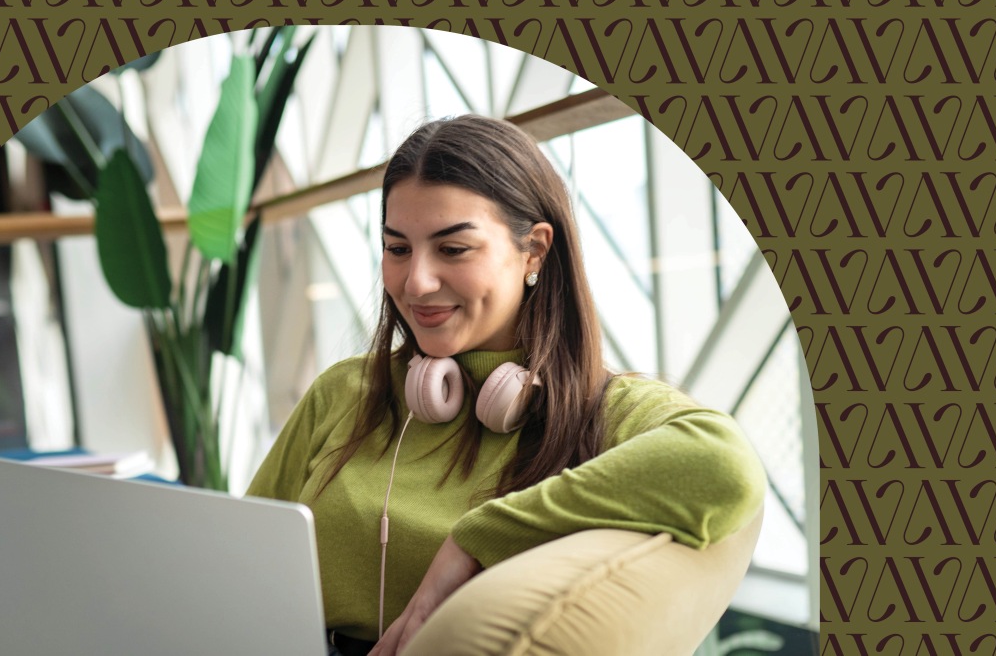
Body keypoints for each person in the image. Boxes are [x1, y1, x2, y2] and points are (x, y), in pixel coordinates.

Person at [247, 115, 767, 656]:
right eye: (397, 249)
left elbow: (724, 465)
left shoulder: (601, 410)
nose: (416, 282)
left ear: (534, 251)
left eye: (453, 249)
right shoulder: (346, 390)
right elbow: (241, 554)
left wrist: (478, 537)